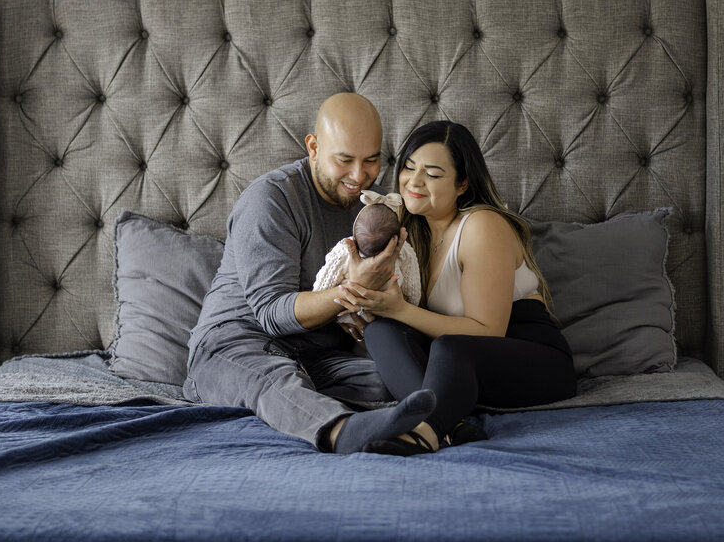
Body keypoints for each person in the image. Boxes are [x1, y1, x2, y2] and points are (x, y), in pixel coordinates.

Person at [184, 93, 437, 454]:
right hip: (236, 342)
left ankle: (438, 425)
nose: (359, 176)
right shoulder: (271, 200)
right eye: (345, 160)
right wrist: (353, 288)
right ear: (314, 147)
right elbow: (272, 315)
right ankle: (342, 431)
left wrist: (380, 306)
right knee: (274, 381)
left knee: (401, 382)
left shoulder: (377, 208)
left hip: (319, 354)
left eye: (371, 161)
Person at [335, 120, 576, 455]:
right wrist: (368, 307)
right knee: (383, 332)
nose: (414, 181)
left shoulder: (481, 225)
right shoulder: (409, 235)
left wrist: (401, 309)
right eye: (408, 167)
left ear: (462, 184)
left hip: (533, 361)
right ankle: (452, 425)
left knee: (449, 347)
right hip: (460, 374)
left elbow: (489, 333)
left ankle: (425, 431)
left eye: (433, 174)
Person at [311, 190, 422, 341]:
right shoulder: (404, 251)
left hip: (348, 316)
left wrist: (339, 294)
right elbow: (413, 286)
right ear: (395, 236)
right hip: (390, 317)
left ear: (354, 234)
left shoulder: (344, 249)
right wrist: (407, 304)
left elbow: (321, 287)